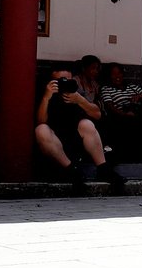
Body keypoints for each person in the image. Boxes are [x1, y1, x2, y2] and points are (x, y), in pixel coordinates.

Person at [34, 64, 126, 193]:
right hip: (54, 146)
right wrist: (46, 97)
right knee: (41, 129)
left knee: (86, 124)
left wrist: (80, 100)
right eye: (61, 81)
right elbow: (40, 121)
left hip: (76, 143)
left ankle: (103, 168)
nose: (65, 83)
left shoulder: (75, 94)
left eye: (68, 80)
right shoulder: (45, 94)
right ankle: (72, 171)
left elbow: (97, 114)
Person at [98, 62, 142, 160]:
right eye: (113, 74)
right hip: (120, 115)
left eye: (119, 73)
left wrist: (139, 96)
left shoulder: (132, 87)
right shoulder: (106, 89)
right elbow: (110, 106)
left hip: (138, 112)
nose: (117, 76)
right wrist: (125, 114)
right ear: (109, 76)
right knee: (134, 123)